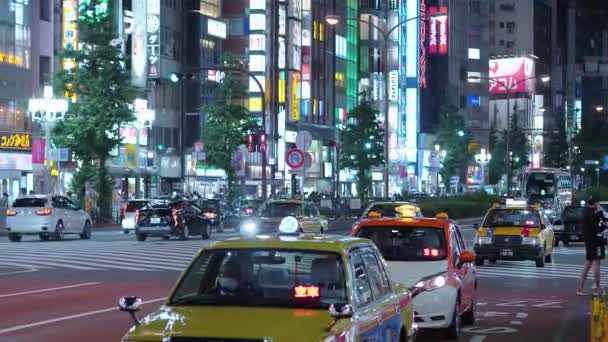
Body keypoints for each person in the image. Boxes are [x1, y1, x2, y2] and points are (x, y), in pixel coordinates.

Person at [577, 196, 606, 295]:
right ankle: (596, 290)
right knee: (596, 265)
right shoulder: (592, 214)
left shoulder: (585, 212)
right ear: (595, 203)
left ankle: (580, 289)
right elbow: (597, 228)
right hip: (595, 241)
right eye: (598, 204)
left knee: (587, 265)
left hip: (588, 242)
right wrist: (604, 225)